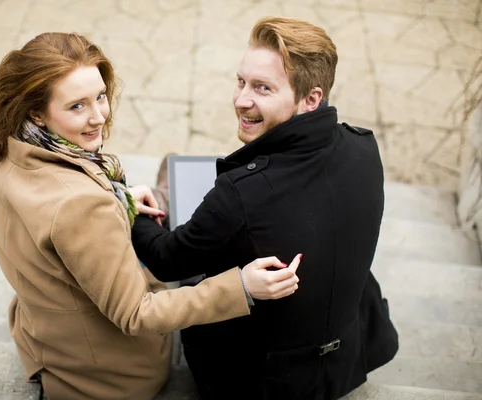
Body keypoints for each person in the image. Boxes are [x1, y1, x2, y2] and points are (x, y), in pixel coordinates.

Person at [0, 32, 303, 400]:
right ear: (36, 110)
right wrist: (240, 287)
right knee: (183, 218)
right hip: (115, 374)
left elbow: (49, 226)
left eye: (99, 96)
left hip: (44, 339)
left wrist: (121, 201)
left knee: (165, 197)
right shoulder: (79, 207)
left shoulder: (5, 153)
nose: (99, 116)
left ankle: (163, 188)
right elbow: (137, 314)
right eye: (76, 106)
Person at [132, 16, 399, 400]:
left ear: (311, 99)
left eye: (263, 88)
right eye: (241, 82)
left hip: (256, 382)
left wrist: (135, 210)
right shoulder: (364, 147)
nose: (242, 100)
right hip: (346, 361)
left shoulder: (240, 193)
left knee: (173, 203)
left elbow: (166, 259)